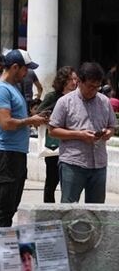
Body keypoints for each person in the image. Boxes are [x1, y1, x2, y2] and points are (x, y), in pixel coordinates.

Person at [0, 50, 49, 227]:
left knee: (11, 206)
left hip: (16, 154)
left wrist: (35, 118)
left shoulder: (13, 88)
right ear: (15, 67)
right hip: (7, 155)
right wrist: (31, 120)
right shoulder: (1, 90)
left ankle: (2, 247)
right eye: (25, 69)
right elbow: (6, 123)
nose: (27, 74)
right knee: (5, 208)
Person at [48, 62, 117, 204]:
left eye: (97, 87)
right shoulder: (65, 102)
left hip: (99, 164)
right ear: (79, 82)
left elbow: (112, 126)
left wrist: (107, 133)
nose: (94, 90)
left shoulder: (104, 102)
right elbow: (53, 131)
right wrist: (80, 135)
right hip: (73, 163)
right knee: (69, 208)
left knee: (97, 211)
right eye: (90, 86)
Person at [36, 66, 78, 203]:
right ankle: (49, 210)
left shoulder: (78, 98)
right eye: (71, 79)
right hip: (54, 146)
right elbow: (38, 115)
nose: (74, 82)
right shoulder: (52, 97)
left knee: (69, 184)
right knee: (51, 181)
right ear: (63, 80)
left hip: (72, 146)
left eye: (75, 79)